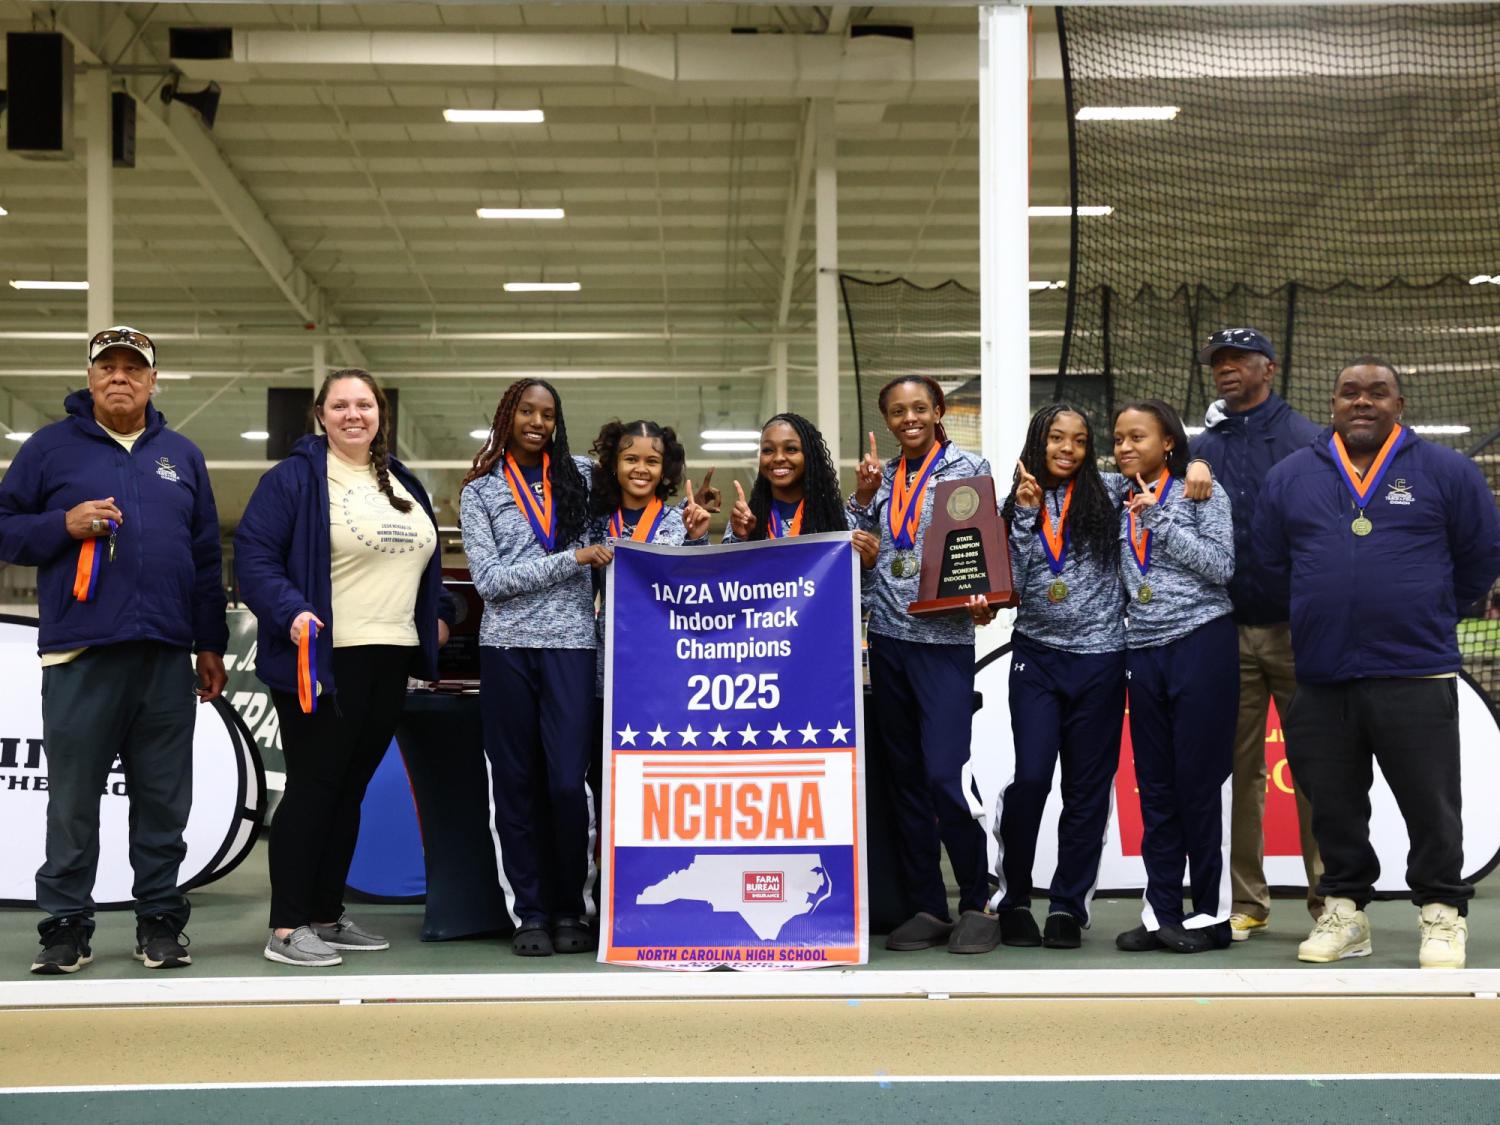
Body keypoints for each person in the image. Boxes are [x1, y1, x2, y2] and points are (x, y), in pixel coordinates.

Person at [1255, 358, 1500, 969]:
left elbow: (1480, 554)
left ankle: (1442, 913)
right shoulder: (1291, 476)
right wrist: (1323, 607)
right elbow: (1269, 562)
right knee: (1332, 803)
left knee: (1431, 802)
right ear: (1332, 403)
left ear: (1399, 403)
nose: (1362, 402)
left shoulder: (1447, 471)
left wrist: (1429, 608)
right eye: (1349, 393)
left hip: (1415, 668)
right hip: (1321, 671)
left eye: (1378, 392)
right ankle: (1345, 911)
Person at [0, 326, 228, 975]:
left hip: (165, 655)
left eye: (134, 367)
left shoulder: (182, 455)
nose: (121, 376)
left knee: (163, 799)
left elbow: (206, 558)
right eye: (109, 367)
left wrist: (209, 643)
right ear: (91, 378)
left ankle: (159, 918)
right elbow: (6, 527)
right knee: (72, 799)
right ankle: (66, 925)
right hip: (81, 657)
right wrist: (61, 525)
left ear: (154, 381)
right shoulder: (48, 449)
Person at [236, 368, 454, 967]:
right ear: (321, 414)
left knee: (349, 790)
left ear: (380, 413)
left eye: (364, 404)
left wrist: (438, 613)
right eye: (340, 405)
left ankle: (324, 915)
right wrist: (292, 610)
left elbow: (419, 562)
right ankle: (285, 929)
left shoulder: (403, 483)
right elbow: (254, 559)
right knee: (315, 787)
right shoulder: (294, 480)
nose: (353, 414)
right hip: (324, 658)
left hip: (391, 655)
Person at [992, 404, 1214, 951]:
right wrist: (1022, 517)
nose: (1067, 449)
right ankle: (1015, 896)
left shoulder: (1113, 491)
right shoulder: (1015, 501)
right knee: (1033, 779)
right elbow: (1013, 587)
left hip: (1103, 659)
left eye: (1080, 440)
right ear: (1037, 442)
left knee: (1086, 791)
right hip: (1036, 658)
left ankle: (1069, 904)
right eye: (1056, 439)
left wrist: (1198, 463)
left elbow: (1161, 468)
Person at [850, 375, 1001, 955]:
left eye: (918, 408)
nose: (908, 418)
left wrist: (986, 595)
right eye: (896, 411)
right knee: (907, 780)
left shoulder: (969, 468)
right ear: (886, 419)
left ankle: (975, 898)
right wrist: (861, 504)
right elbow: (860, 554)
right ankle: (927, 904)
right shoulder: (880, 478)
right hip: (886, 641)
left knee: (944, 777)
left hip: (942, 644)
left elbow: (984, 548)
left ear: (938, 411)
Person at [460, 378, 605, 957]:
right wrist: (571, 559)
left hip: (574, 649)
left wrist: (687, 531)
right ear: (507, 416)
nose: (537, 422)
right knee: (516, 786)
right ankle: (531, 913)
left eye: (548, 414)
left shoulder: (584, 478)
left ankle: (573, 905)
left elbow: (626, 536)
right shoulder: (481, 491)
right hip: (506, 651)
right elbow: (490, 585)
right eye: (527, 411)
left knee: (570, 786)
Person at [1190, 327, 1324, 942]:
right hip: (1225, 630)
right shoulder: (1202, 448)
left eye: (1239, 359)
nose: (1226, 369)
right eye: (1218, 361)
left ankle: (1331, 901)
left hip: (1300, 631)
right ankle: (1247, 901)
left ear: (1268, 368)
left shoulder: (1308, 441)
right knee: (1237, 770)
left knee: (1317, 766)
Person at [1111, 400, 1238, 955]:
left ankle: (1211, 916)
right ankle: (1161, 911)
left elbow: (1220, 566)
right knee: (1155, 789)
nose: (1124, 447)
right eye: (1117, 439)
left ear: (1168, 444)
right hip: (1143, 649)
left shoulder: (1201, 491)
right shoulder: (1117, 499)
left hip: (1201, 643)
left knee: (1199, 784)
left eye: (1137, 437)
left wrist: (1160, 520)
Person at [590, 418, 712, 694]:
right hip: (608, 662)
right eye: (631, 459)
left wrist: (696, 538)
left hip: (667, 657)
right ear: (613, 464)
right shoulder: (595, 524)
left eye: (652, 461)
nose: (641, 469)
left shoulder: (682, 521)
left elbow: (699, 592)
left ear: (664, 469)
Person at [725, 411, 880, 567]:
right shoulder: (745, 519)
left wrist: (869, 565)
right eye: (768, 450)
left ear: (809, 456)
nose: (778, 458)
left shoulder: (835, 519)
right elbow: (726, 583)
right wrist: (739, 538)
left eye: (791, 449)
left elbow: (854, 587)